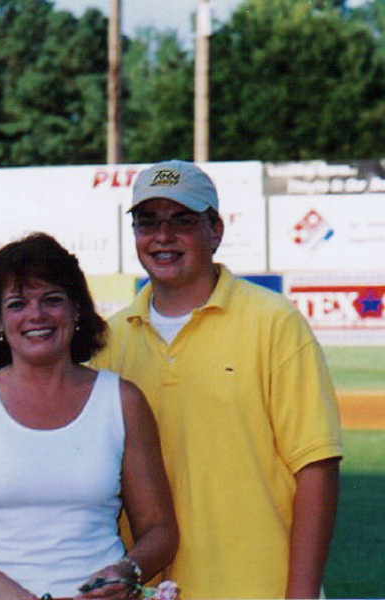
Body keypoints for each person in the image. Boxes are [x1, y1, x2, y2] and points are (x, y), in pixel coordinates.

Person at [93, 160, 343, 599]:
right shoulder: (110, 340)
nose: (162, 236)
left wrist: (300, 595)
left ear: (215, 230)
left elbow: (316, 467)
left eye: (182, 221)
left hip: (259, 586)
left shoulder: (273, 322)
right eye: (147, 222)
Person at [0, 233, 178, 600]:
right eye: (17, 304)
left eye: (52, 300)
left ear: (77, 311)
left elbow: (160, 531)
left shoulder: (122, 401)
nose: (36, 315)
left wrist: (127, 571)